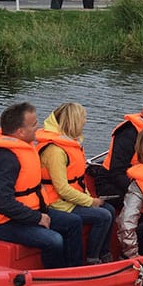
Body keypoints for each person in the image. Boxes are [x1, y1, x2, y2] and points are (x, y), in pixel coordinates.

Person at [0, 102, 83, 269]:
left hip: (28, 211)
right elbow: (4, 204)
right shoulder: (3, 159)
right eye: (34, 125)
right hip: (3, 221)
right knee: (53, 240)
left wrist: (39, 213)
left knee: (74, 222)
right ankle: (55, 280)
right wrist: (38, 218)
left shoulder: (25, 147)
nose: (38, 127)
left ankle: (74, 270)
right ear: (20, 132)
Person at [37, 102, 115, 265]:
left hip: (69, 200)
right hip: (57, 203)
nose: (85, 121)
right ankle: (91, 259)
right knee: (103, 215)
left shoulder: (69, 144)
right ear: (73, 121)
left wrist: (89, 200)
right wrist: (91, 202)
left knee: (110, 210)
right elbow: (62, 188)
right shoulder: (55, 151)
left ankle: (104, 253)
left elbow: (76, 181)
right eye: (83, 118)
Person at [94, 96, 143, 207]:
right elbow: (116, 172)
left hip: (141, 179)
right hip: (111, 181)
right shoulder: (128, 133)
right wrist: (142, 192)